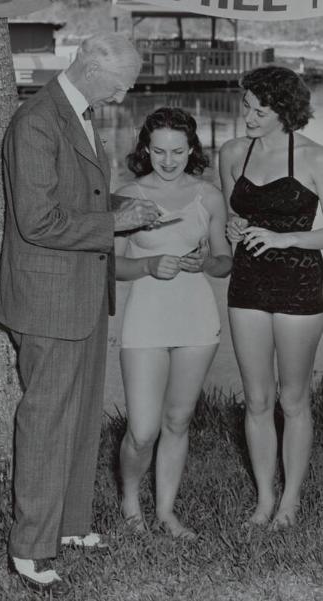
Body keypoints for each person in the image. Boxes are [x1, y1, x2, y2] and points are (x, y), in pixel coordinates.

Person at [0, 32, 161, 594]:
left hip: (82, 292)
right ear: (92, 66)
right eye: (123, 80)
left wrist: (123, 206)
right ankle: (29, 548)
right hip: (47, 299)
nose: (128, 90)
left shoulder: (80, 112)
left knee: (82, 413)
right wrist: (118, 223)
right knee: (45, 422)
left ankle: (69, 525)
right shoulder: (37, 122)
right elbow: (37, 221)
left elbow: (79, 199)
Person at [115, 107, 232, 538]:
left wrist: (207, 261)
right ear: (146, 149)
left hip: (197, 318)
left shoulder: (210, 195)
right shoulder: (127, 195)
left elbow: (224, 262)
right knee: (143, 430)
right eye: (159, 151)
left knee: (178, 422)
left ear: (191, 150)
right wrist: (147, 265)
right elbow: (109, 267)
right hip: (145, 318)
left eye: (177, 152)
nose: (168, 161)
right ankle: (130, 502)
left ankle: (165, 512)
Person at [219, 65, 323, 529]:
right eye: (245, 106)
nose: (248, 117)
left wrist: (288, 240)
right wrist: (233, 227)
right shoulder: (232, 152)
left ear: (285, 111)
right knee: (257, 399)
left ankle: (291, 502)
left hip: (301, 284)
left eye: (259, 110)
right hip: (246, 285)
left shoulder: (314, 156)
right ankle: (264, 499)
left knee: (293, 399)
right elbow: (230, 217)